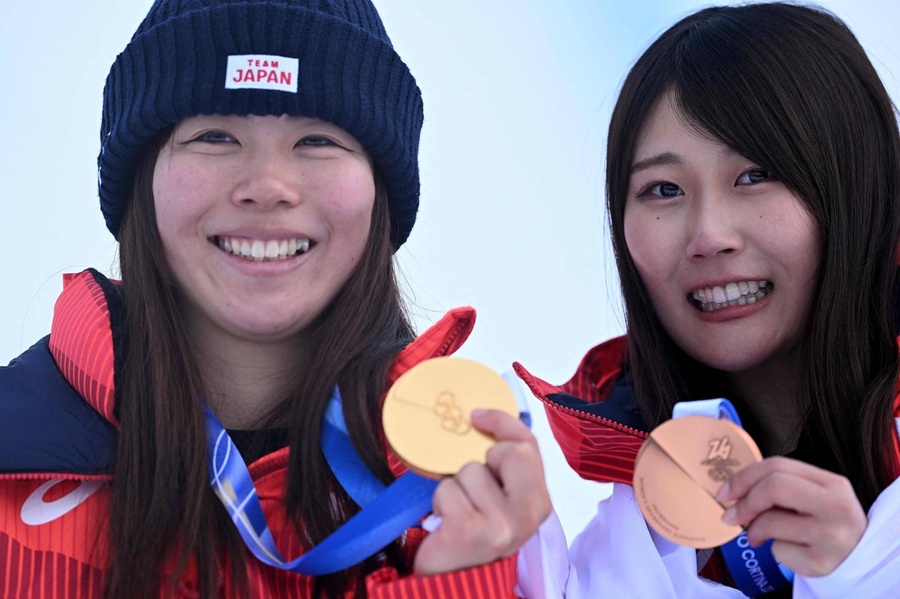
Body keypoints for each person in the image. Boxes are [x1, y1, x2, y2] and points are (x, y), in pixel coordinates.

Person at [0, 0, 551, 597]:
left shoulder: (478, 503)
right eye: (215, 135)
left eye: (316, 139)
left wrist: (451, 586)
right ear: (143, 182)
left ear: (378, 192)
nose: (267, 186)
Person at [514, 3, 900, 598]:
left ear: (859, 189)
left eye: (756, 174)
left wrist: (868, 578)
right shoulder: (611, 557)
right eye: (663, 189)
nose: (709, 236)